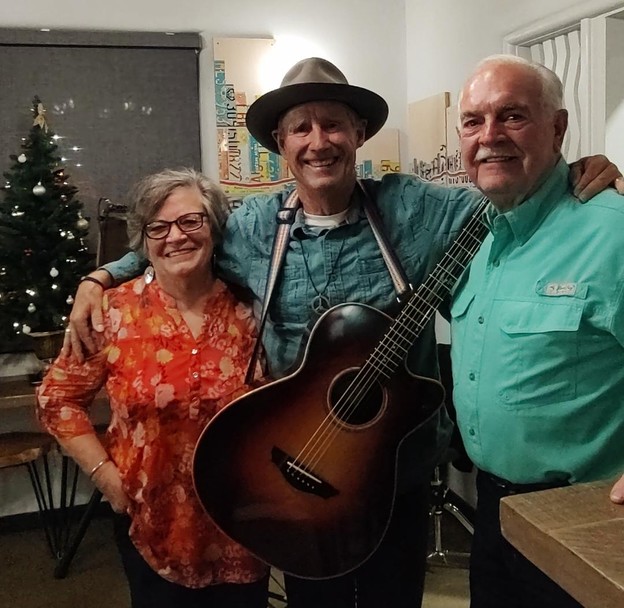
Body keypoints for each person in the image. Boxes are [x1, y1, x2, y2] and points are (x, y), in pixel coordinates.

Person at [64, 58, 623, 608]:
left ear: (359, 133)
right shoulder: (252, 227)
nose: (318, 142)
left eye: (333, 124)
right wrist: (103, 275)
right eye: (300, 128)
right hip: (291, 474)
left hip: (396, 474)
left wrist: (578, 171)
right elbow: (178, 240)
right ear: (279, 143)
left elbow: (510, 188)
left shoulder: (418, 209)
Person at [37, 169, 269, 608]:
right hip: (153, 527)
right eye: (158, 227)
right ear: (143, 241)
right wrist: (106, 477)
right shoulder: (113, 312)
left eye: (191, 221)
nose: (175, 237)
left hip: (243, 524)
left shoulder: (253, 309)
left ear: (214, 227)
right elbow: (57, 399)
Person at [450, 55, 624, 608]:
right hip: (493, 512)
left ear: (558, 128)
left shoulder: (613, 232)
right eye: (473, 121)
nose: (489, 136)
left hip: (586, 515)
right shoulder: (479, 236)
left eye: (513, 115)